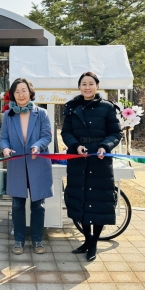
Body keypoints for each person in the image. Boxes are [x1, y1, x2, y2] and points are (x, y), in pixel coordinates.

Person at [61, 72, 122, 261]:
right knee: (80, 200)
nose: (87, 87)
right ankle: (87, 239)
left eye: (91, 83)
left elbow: (115, 133)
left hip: (100, 160)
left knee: (98, 202)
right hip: (78, 158)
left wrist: (105, 146)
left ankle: (94, 242)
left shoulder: (107, 107)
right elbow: (66, 132)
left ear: (97, 86)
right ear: (79, 87)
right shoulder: (71, 107)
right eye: (83, 84)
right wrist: (75, 146)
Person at [0, 78, 53, 255]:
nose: (21, 94)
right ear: (12, 95)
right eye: (17, 91)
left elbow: (47, 136)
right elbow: (4, 138)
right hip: (17, 164)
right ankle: (19, 240)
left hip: (37, 163)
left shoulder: (42, 114)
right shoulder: (8, 115)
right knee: (17, 205)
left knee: (38, 205)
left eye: (24, 90)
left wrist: (38, 145)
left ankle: (37, 239)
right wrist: (5, 148)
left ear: (30, 92)